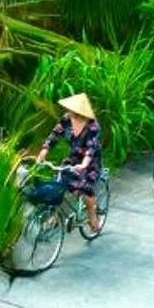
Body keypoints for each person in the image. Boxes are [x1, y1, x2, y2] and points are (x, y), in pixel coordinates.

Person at [38, 92, 104, 234]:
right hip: (74, 158)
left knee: (86, 188)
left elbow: (91, 148)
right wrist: (44, 150)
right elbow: (54, 135)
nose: (68, 111)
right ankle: (54, 215)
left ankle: (93, 217)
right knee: (59, 181)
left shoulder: (93, 126)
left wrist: (84, 164)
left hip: (91, 161)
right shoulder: (66, 120)